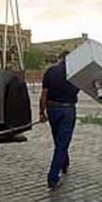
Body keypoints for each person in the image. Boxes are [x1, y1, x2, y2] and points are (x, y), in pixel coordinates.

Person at [39, 51, 80, 188]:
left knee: (59, 139)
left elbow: (44, 94)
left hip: (52, 109)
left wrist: (41, 112)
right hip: (68, 110)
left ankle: (65, 163)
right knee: (62, 143)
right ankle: (53, 177)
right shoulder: (76, 73)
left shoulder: (50, 71)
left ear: (60, 58)